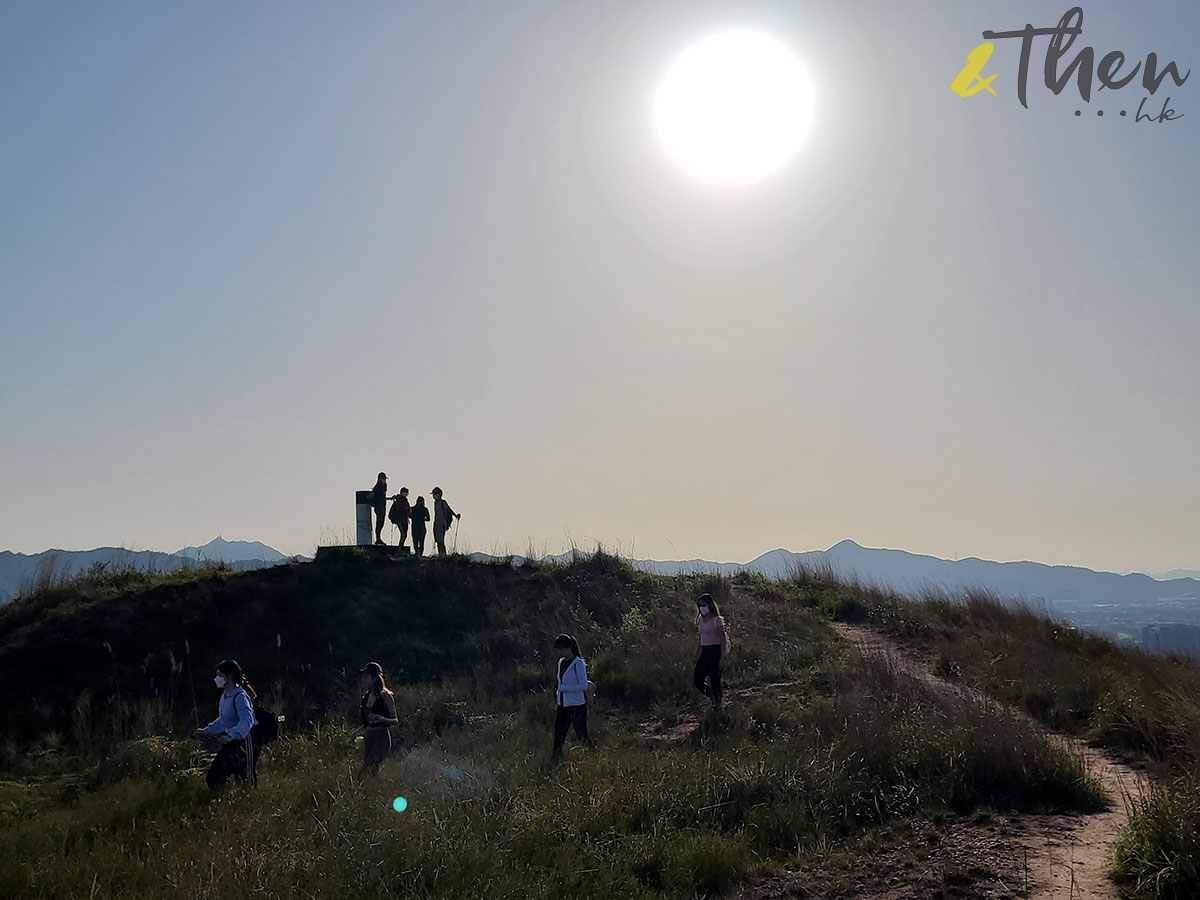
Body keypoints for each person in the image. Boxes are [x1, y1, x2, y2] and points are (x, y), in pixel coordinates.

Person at [193, 659, 260, 790]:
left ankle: (251, 804)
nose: (217, 679)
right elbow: (224, 720)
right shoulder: (226, 695)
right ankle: (220, 802)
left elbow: (247, 721)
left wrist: (231, 736)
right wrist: (206, 730)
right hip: (232, 742)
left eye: (220, 676)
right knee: (214, 777)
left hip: (245, 742)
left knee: (246, 780)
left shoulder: (240, 696)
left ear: (229, 677)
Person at [351, 662, 398, 775]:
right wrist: (355, 732)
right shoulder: (366, 697)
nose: (363, 680)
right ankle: (373, 790)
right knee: (372, 770)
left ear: (375, 678)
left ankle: (360, 786)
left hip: (382, 737)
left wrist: (382, 719)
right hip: (370, 737)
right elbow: (366, 723)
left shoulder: (386, 696)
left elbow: (395, 720)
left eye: (366, 677)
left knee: (366, 768)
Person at [552, 633, 593, 760]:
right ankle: (556, 759)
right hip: (563, 705)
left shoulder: (578, 663)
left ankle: (593, 754)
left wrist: (565, 689)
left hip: (577, 706)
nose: (558, 652)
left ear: (567, 648)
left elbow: (583, 686)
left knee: (581, 735)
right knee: (558, 735)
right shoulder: (561, 662)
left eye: (560, 649)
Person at [693, 593, 727, 709]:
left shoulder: (717, 620)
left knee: (714, 678)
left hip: (715, 650)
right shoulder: (700, 620)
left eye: (703, 605)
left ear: (710, 605)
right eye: (700, 605)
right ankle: (712, 697)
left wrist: (722, 656)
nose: (702, 608)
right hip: (705, 650)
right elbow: (700, 636)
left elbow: (722, 639)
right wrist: (698, 652)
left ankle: (718, 703)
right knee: (697, 679)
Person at [431, 486, 461, 557]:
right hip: (436, 523)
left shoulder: (443, 502)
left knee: (441, 541)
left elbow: (448, 510)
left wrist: (455, 515)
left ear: (439, 494)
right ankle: (441, 555)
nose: (433, 496)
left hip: (441, 524)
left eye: (434, 494)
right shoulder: (435, 502)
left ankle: (443, 555)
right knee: (438, 541)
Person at [368, 472, 392, 545]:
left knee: (381, 522)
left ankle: (379, 538)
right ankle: (378, 538)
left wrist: (390, 498)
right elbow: (372, 495)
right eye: (383, 478)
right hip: (379, 506)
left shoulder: (384, 486)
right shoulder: (377, 487)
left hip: (382, 505)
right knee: (379, 522)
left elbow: (383, 498)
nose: (384, 480)